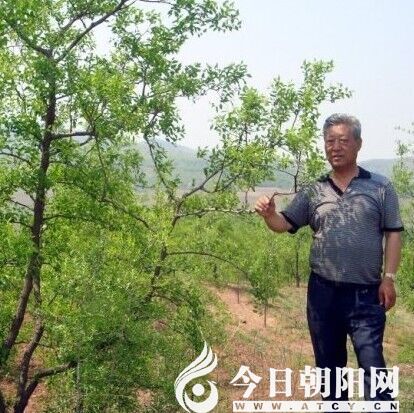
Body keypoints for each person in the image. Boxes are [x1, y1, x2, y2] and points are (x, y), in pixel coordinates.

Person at [254, 113, 403, 407]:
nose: (335, 147)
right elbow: (285, 223)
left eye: (343, 140)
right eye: (329, 141)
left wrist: (389, 278)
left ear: (358, 144)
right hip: (323, 295)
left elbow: (394, 233)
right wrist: (269, 215)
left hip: (366, 294)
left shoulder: (380, 187)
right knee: (330, 372)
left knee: (374, 369)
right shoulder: (314, 190)